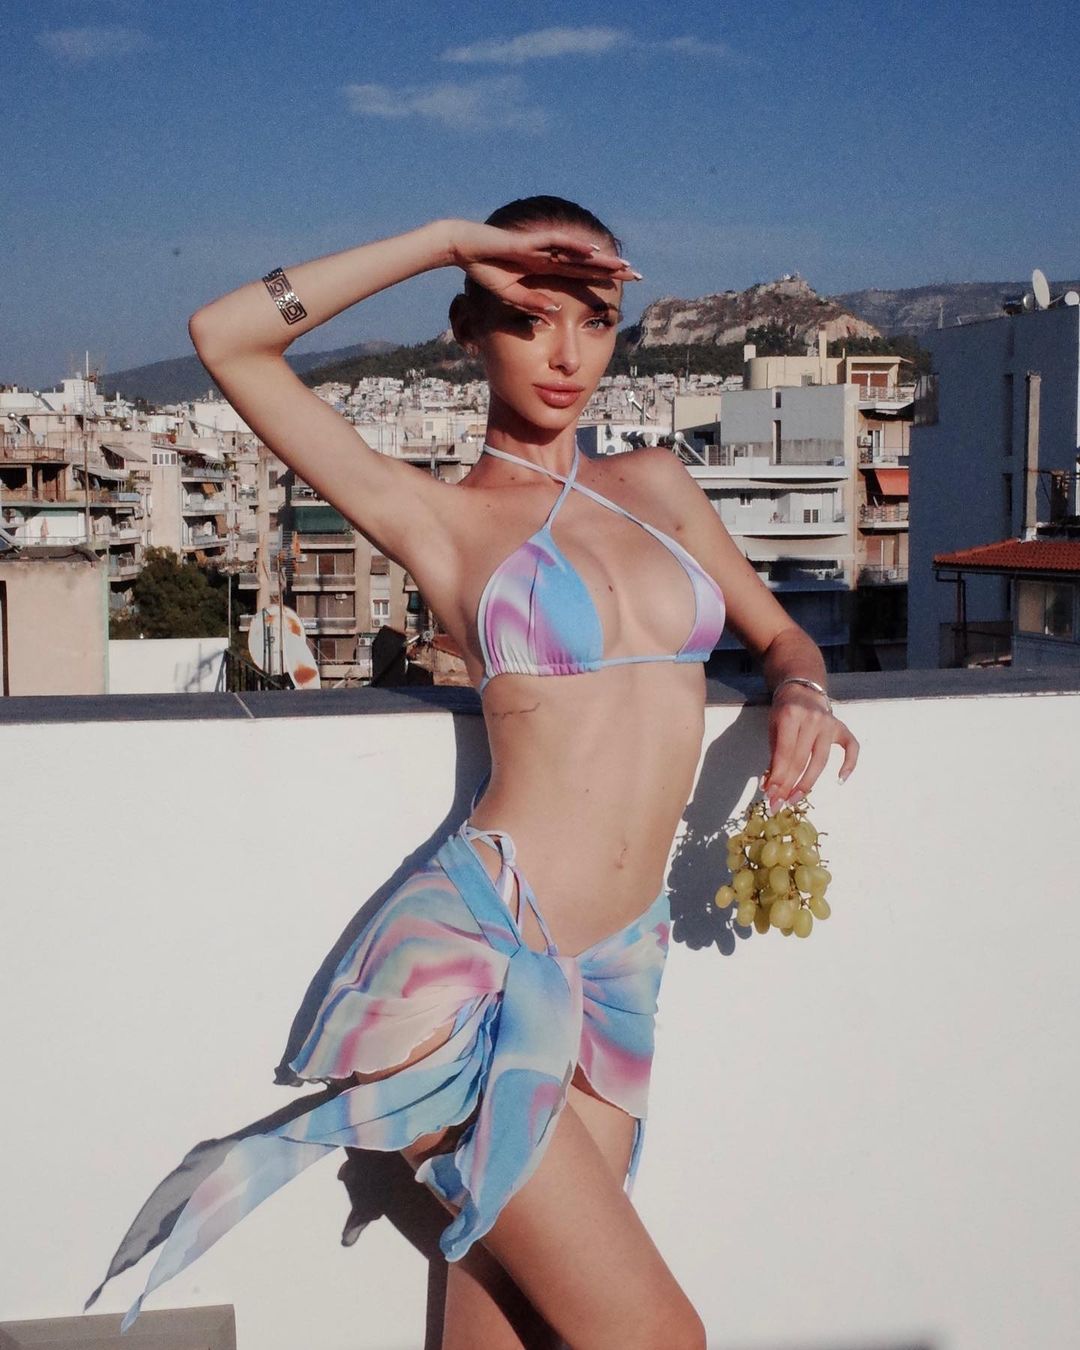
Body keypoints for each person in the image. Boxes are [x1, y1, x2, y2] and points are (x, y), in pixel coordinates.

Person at [86, 197, 859, 1349]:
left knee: (508, 1334)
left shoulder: (659, 484)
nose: (565, 353)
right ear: (468, 330)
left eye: (593, 320)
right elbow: (227, 337)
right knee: (658, 1337)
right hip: (471, 963)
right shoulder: (441, 518)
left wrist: (800, 692)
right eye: (528, 317)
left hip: (614, 974)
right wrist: (449, 240)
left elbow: (784, 636)